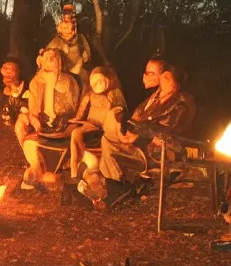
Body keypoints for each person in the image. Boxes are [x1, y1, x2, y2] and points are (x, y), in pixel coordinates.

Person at [81, 62, 197, 207]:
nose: (162, 80)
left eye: (167, 78)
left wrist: (140, 133)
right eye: (163, 77)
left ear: (177, 82)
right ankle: (115, 187)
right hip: (139, 145)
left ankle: (117, 189)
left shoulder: (183, 101)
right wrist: (129, 131)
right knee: (107, 141)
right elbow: (136, 120)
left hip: (158, 151)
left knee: (110, 146)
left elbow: (173, 130)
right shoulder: (154, 99)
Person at [16, 48, 81, 190]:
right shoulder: (36, 82)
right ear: (41, 62)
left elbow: (72, 108)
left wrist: (54, 84)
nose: (51, 60)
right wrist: (33, 119)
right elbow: (34, 109)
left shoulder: (69, 81)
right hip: (44, 125)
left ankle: (56, 172)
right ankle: (37, 169)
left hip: (64, 125)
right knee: (22, 127)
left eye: (55, 58)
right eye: (48, 58)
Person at [69, 66, 127, 178]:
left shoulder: (114, 93)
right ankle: (74, 170)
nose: (97, 84)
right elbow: (81, 111)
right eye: (94, 81)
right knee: (75, 133)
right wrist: (76, 119)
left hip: (105, 128)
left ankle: (90, 165)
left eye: (100, 81)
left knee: (77, 133)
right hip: (91, 124)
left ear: (108, 79)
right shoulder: (90, 94)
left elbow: (119, 111)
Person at [46, 9, 91, 80]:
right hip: (62, 75)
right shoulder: (56, 42)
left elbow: (86, 58)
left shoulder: (81, 39)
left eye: (69, 21)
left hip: (78, 73)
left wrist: (84, 57)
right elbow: (46, 56)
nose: (69, 24)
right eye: (63, 21)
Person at [0, 57, 29, 125]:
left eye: (12, 70)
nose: (8, 74)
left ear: (18, 72)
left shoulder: (27, 91)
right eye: (5, 69)